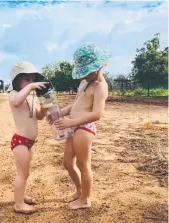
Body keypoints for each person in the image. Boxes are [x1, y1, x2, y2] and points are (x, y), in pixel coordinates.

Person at [52, 43, 111, 210]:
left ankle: (85, 199)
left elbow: (97, 114)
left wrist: (72, 122)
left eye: (86, 71)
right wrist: (60, 113)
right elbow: (76, 104)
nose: (83, 75)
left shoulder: (100, 86)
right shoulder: (85, 82)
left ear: (98, 66)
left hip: (84, 129)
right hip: (74, 127)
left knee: (83, 165)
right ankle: (79, 191)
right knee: (67, 163)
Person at [8, 61, 48, 214]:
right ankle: (18, 204)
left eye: (33, 80)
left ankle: (21, 195)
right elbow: (16, 101)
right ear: (17, 81)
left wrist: (44, 108)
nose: (31, 83)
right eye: (27, 80)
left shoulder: (30, 98)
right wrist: (30, 87)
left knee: (26, 173)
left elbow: (38, 116)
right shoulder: (14, 95)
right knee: (22, 173)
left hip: (29, 143)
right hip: (20, 142)